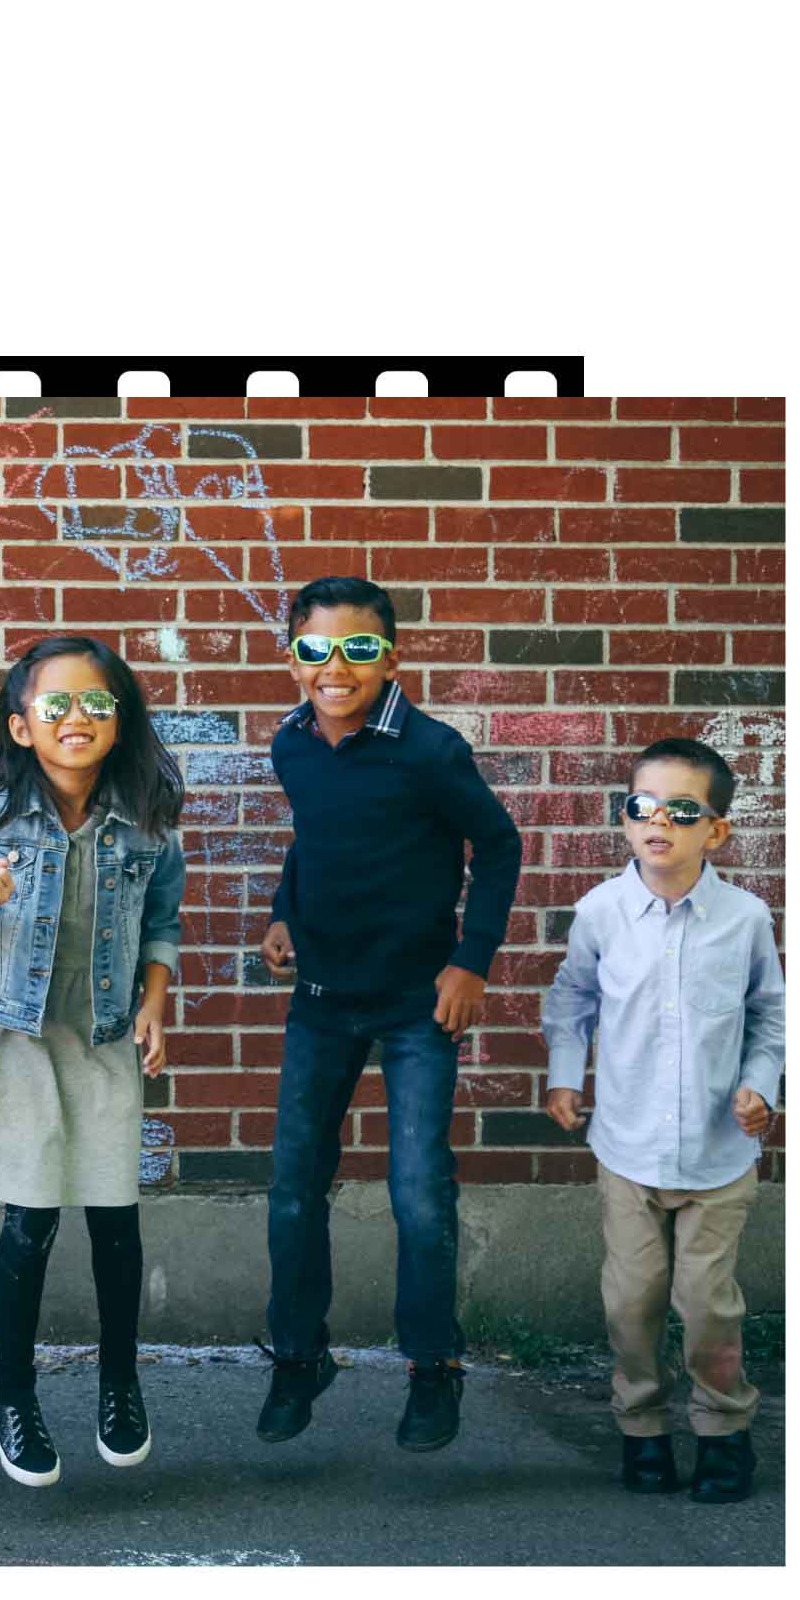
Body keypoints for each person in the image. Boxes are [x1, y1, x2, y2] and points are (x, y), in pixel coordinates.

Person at [256, 576, 524, 1451]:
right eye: (315, 648)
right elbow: (315, 838)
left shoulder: (429, 750)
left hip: (419, 1006)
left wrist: (470, 963)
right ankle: (299, 1356)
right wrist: (284, 911)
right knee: (294, 1187)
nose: (336, 666)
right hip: (323, 999)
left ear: (391, 656)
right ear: (293, 657)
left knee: (417, 1190)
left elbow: (498, 841)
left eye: (359, 648)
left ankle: (434, 1369)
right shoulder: (292, 743)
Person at [0, 638, 185, 1486]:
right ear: (20, 725)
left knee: (115, 1209)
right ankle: (14, 1392)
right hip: (19, 1032)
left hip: (107, 1025)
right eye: (56, 706)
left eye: (98, 705)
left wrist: (154, 1000)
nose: (78, 719)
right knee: (32, 1213)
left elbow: (162, 921)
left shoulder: (147, 821)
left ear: (121, 722)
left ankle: (120, 1381)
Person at [541, 736, 784, 1504]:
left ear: (715, 831)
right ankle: (641, 1427)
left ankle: (723, 1431)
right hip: (628, 1146)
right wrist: (562, 1075)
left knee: (708, 1305)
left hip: (717, 1155)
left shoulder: (743, 919)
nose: (659, 823)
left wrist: (760, 1084)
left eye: (682, 810)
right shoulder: (603, 911)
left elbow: (769, 1017)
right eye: (642, 807)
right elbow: (571, 1000)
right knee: (631, 1301)